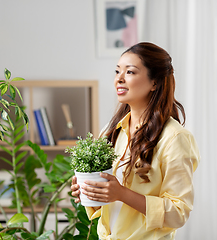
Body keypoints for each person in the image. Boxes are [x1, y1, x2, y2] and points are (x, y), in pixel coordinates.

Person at [71, 42, 200, 240]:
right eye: (117, 71)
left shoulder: (175, 138)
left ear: (154, 83)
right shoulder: (112, 131)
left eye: (130, 72)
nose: (119, 79)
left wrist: (121, 193)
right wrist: (90, 193)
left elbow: (178, 213)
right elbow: (108, 208)